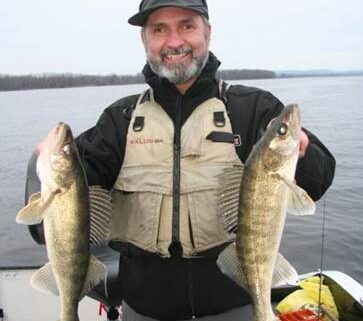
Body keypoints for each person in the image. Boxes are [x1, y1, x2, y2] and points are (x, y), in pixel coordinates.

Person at [29, 0, 336, 320]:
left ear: (208, 32)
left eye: (186, 26)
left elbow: (318, 181)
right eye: (159, 29)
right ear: (145, 40)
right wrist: (48, 174)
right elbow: (69, 194)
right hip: (143, 308)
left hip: (235, 303)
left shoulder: (253, 108)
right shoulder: (119, 120)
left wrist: (303, 152)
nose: (174, 42)